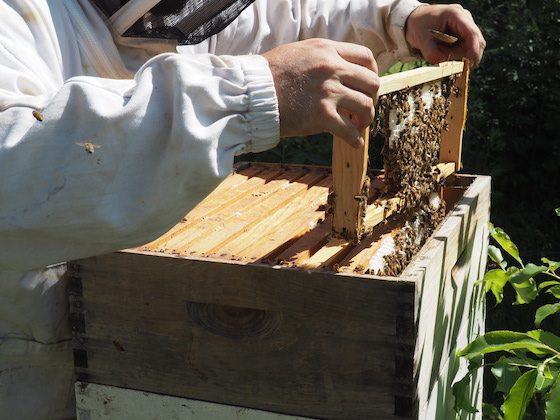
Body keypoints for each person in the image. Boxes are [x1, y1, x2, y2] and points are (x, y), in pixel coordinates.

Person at [0, 1, 485, 418]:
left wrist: (396, 19)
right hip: (29, 382)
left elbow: (281, 17)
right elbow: (13, 169)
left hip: (162, 355)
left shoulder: (177, 13)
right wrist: (251, 92)